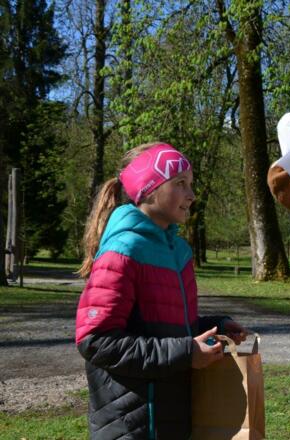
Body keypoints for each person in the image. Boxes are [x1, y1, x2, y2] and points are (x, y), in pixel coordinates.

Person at [75, 142, 247, 440]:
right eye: (180, 183)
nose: (191, 195)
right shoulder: (124, 250)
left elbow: (164, 326)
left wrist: (215, 327)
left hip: (172, 419)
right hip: (131, 426)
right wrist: (186, 352)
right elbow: (96, 341)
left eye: (190, 184)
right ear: (149, 189)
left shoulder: (178, 251)